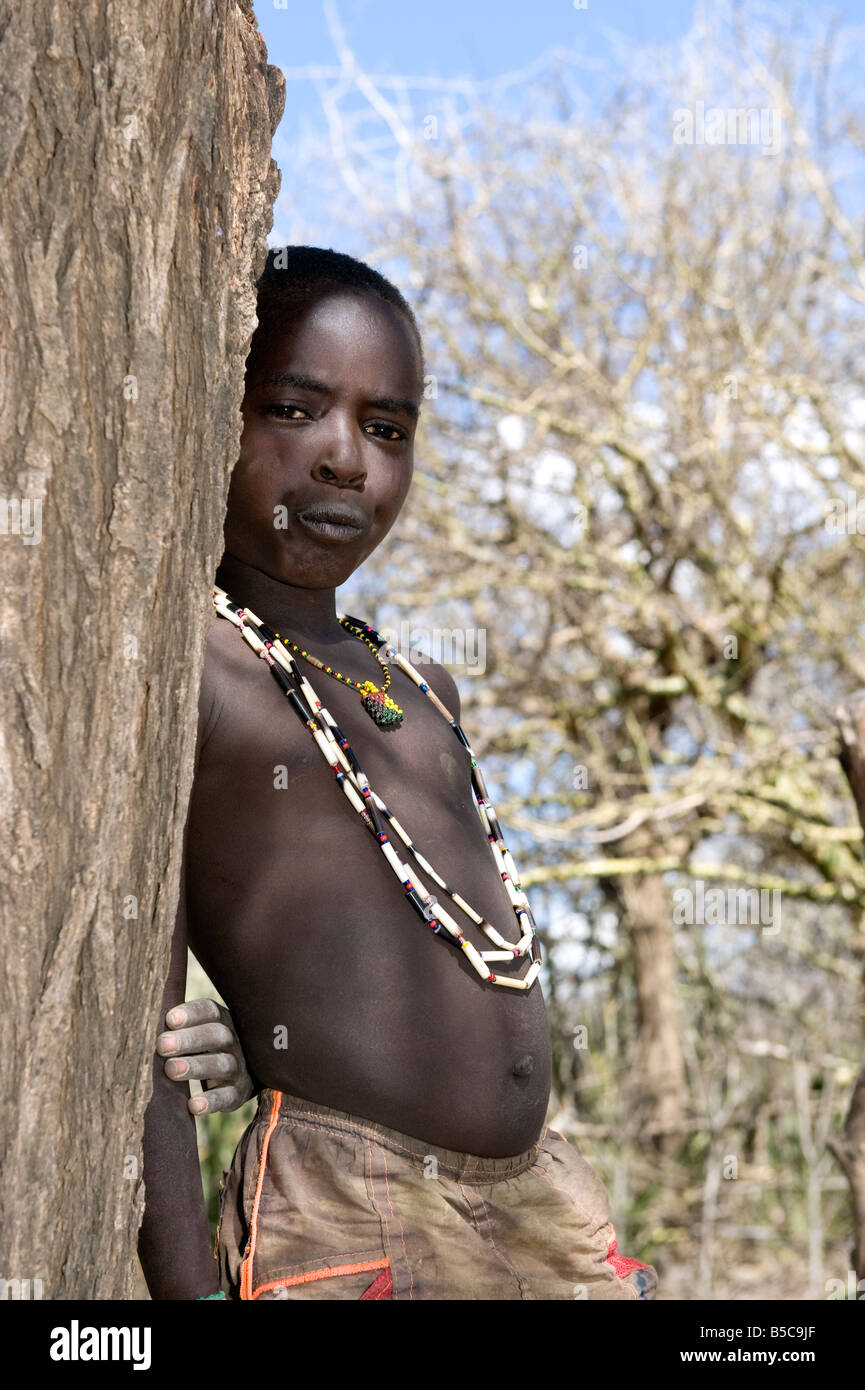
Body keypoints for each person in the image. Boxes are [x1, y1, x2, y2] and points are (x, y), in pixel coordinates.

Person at [137, 246, 657, 1301]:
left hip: (543, 1201)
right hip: (351, 1209)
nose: (343, 459)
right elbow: (141, 1040)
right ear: (211, 414)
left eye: (387, 429)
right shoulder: (192, 662)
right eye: (293, 408)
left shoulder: (420, 688)